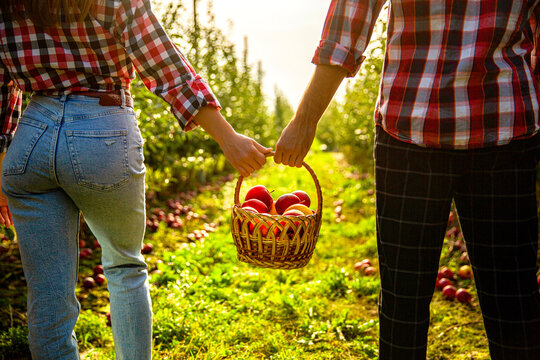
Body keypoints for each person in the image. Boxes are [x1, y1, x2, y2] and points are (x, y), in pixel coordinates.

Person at [0, 0, 271, 359]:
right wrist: (227, 137)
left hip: (30, 137)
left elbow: (4, 88)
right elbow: (168, 68)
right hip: (102, 125)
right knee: (124, 266)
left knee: (47, 293)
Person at [275, 0, 540, 359]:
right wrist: (305, 120)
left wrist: (306, 119)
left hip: (428, 124)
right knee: (510, 302)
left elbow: (347, 26)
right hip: (490, 123)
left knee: (418, 303)